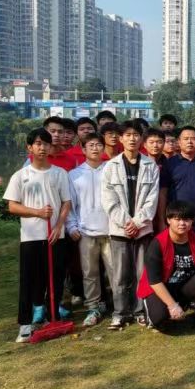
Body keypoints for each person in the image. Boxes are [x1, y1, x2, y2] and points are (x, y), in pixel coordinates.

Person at [4, 128, 72, 343]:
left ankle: (53, 317)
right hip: (31, 236)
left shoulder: (59, 173)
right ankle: (25, 324)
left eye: (46, 144)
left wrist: (59, 226)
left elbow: (66, 202)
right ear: (30, 147)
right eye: (38, 144)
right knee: (29, 280)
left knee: (56, 279)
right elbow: (12, 206)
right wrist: (38, 213)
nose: (43, 148)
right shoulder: (20, 176)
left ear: (51, 147)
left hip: (56, 236)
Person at [101, 119, 160, 329]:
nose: (132, 139)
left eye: (136, 135)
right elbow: (108, 200)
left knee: (141, 273)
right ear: (121, 138)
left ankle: (139, 311)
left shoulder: (150, 165)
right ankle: (120, 312)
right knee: (119, 275)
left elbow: (152, 199)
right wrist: (127, 223)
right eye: (127, 135)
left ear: (141, 139)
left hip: (143, 229)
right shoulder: (111, 166)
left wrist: (137, 222)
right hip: (120, 230)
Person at [137, 201, 195, 334]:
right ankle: (151, 316)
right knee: (159, 319)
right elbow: (155, 282)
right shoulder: (157, 244)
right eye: (177, 219)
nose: (182, 223)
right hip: (160, 288)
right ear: (168, 220)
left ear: (192, 221)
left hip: (183, 286)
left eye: (186, 219)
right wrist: (172, 305)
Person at [66, 132, 112, 327]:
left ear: (103, 148)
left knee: (115, 272)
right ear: (83, 149)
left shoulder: (111, 170)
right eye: (90, 145)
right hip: (85, 231)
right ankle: (93, 307)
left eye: (98, 144)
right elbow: (70, 204)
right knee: (89, 272)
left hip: (110, 230)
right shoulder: (74, 175)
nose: (95, 148)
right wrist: (71, 226)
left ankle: (119, 305)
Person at [158, 126, 195, 242]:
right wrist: (161, 220)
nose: (190, 142)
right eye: (186, 139)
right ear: (179, 142)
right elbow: (163, 192)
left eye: (193, 139)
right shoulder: (170, 164)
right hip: (176, 222)